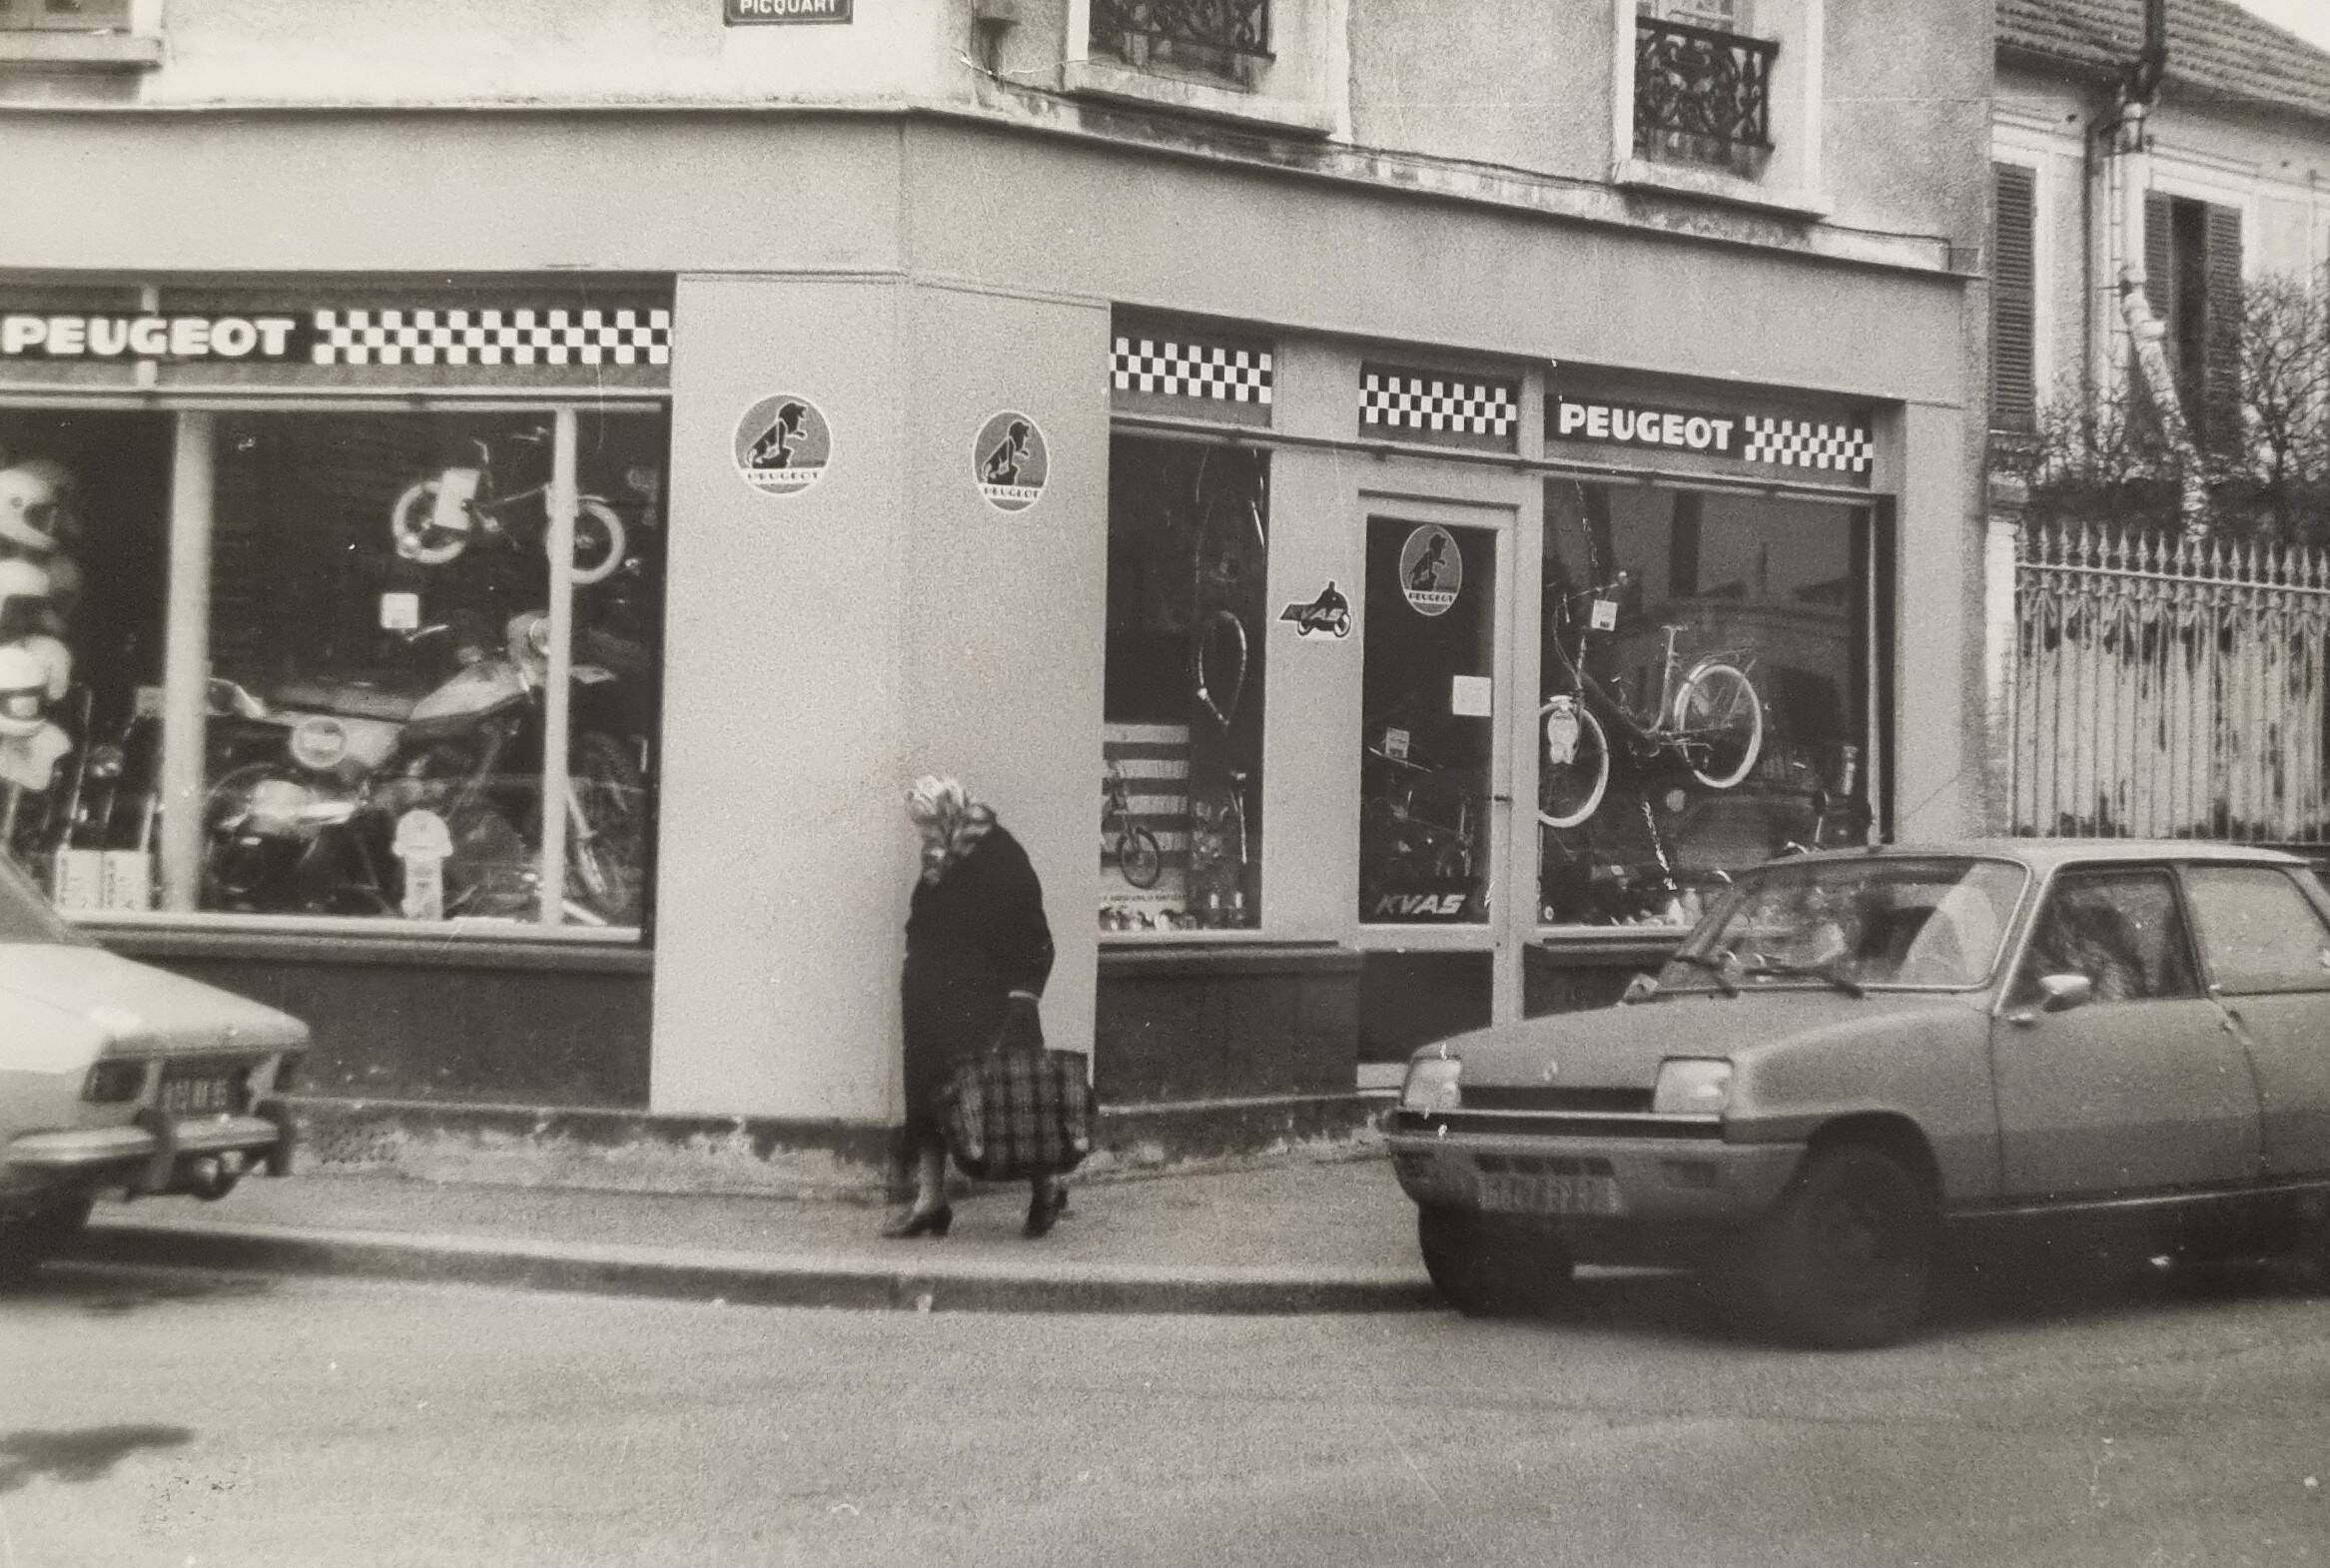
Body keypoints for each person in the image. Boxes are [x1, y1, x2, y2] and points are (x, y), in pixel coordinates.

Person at [887, 775, 1062, 1240]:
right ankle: (930, 1201)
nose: (923, 834)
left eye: (927, 823)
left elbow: (1032, 930)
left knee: (1009, 1100)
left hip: (983, 997)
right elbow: (924, 921)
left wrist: (1024, 995)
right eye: (919, 826)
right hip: (930, 998)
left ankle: (1047, 1189)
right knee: (926, 1095)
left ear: (949, 812)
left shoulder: (1000, 854)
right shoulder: (939, 859)